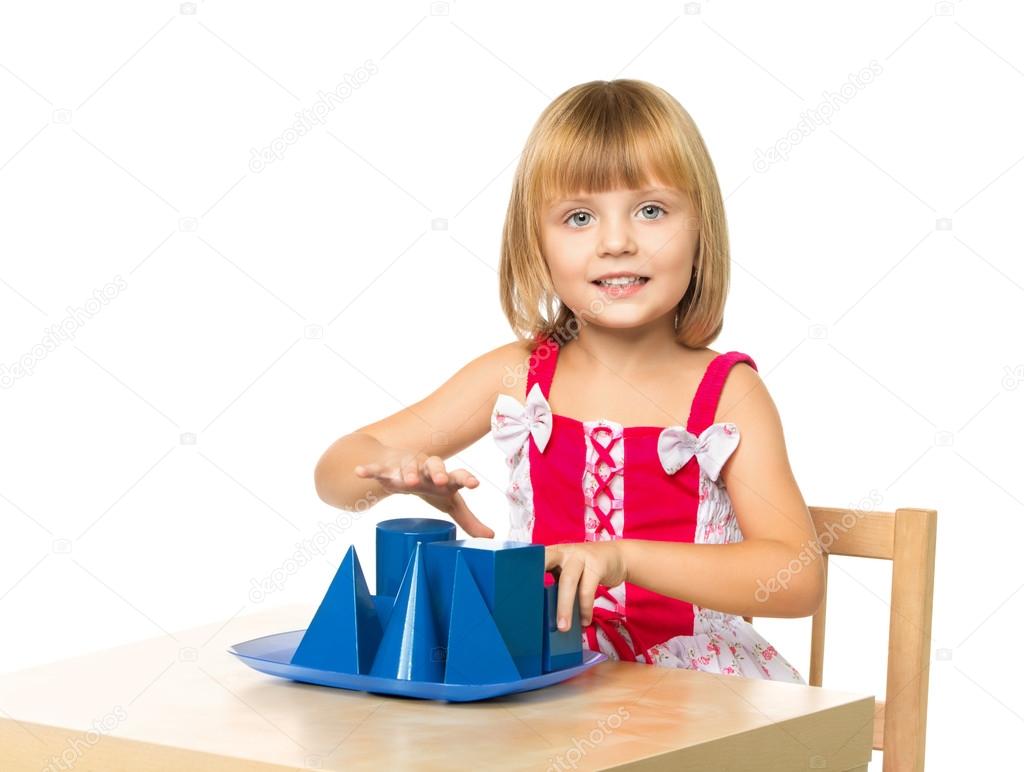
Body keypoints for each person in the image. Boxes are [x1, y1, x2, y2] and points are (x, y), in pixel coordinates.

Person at [314, 79, 823, 682]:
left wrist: (623, 558)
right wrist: (398, 473)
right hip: (544, 672)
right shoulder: (517, 374)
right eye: (580, 217)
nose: (616, 242)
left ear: (700, 229)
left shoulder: (728, 393)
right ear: (537, 242)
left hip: (693, 691)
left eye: (651, 210)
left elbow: (798, 579)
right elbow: (337, 476)